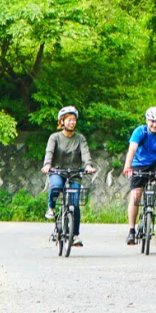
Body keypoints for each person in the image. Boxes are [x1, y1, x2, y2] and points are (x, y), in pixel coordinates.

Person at [42, 106, 96, 247]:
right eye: (69, 120)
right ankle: (51, 208)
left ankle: (75, 235)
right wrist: (47, 165)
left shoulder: (80, 138)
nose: (72, 122)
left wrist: (88, 166)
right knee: (56, 186)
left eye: (74, 120)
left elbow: (85, 153)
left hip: (74, 173)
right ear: (62, 121)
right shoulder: (55, 137)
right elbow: (49, 152)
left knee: (75, 204)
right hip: (57, 171)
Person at [121, 106, 156, 245]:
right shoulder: (140, 131)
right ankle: (131, 230)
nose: (154, 125)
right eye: (152, 121)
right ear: (147, 120)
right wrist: (127, 166)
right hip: (138, 164)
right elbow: (132, 149)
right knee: (136, 196)